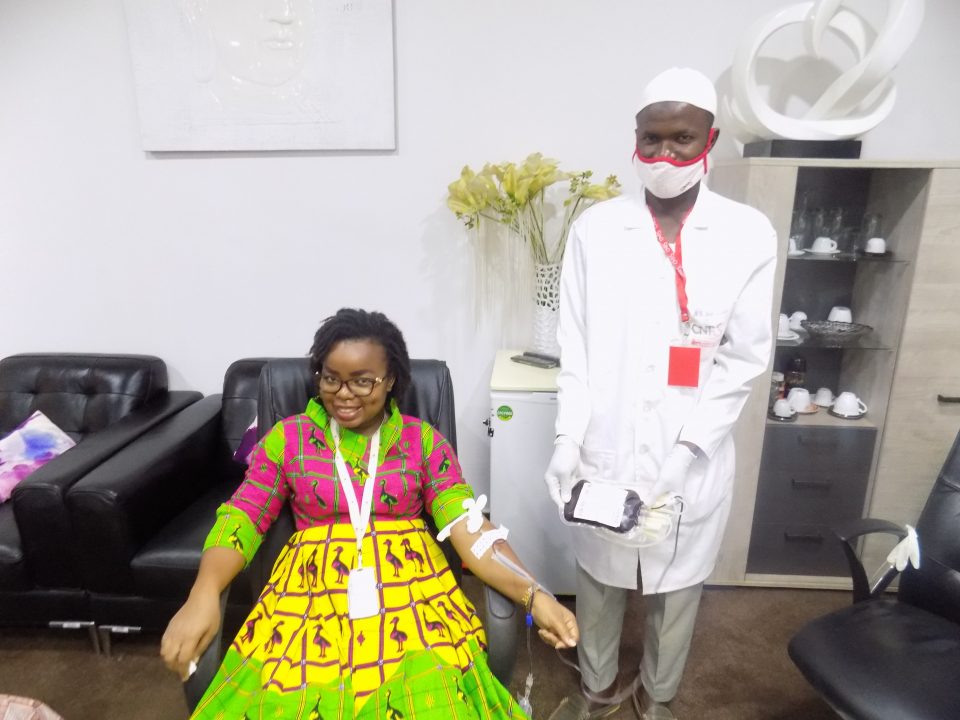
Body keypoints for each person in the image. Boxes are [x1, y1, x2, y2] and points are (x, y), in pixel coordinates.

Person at [162, 308, 579, 719]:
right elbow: (242, 517)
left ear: (390, 379)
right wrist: (203, 593)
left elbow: (469, 527)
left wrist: (535, 594)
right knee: (284, 702)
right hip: (309, 598)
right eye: (331, 378)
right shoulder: (288, 439)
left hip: (414, 598)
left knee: (431, 697)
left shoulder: (422, 442)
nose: (343, 394)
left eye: (363, 381)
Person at [543, 68, 777, 720]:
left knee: (677, 585)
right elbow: (576, 349)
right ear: (635, 138)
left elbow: (742, 359)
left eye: (682, 139)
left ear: (711, 139)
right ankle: (597, 690)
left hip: (693, 448)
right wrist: (567, 439)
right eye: (652, 139)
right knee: (600, 577)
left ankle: (658, 697)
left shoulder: (746, 233)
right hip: (606, 443)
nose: (665, 155)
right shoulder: (596, 229)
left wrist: (687, 450)